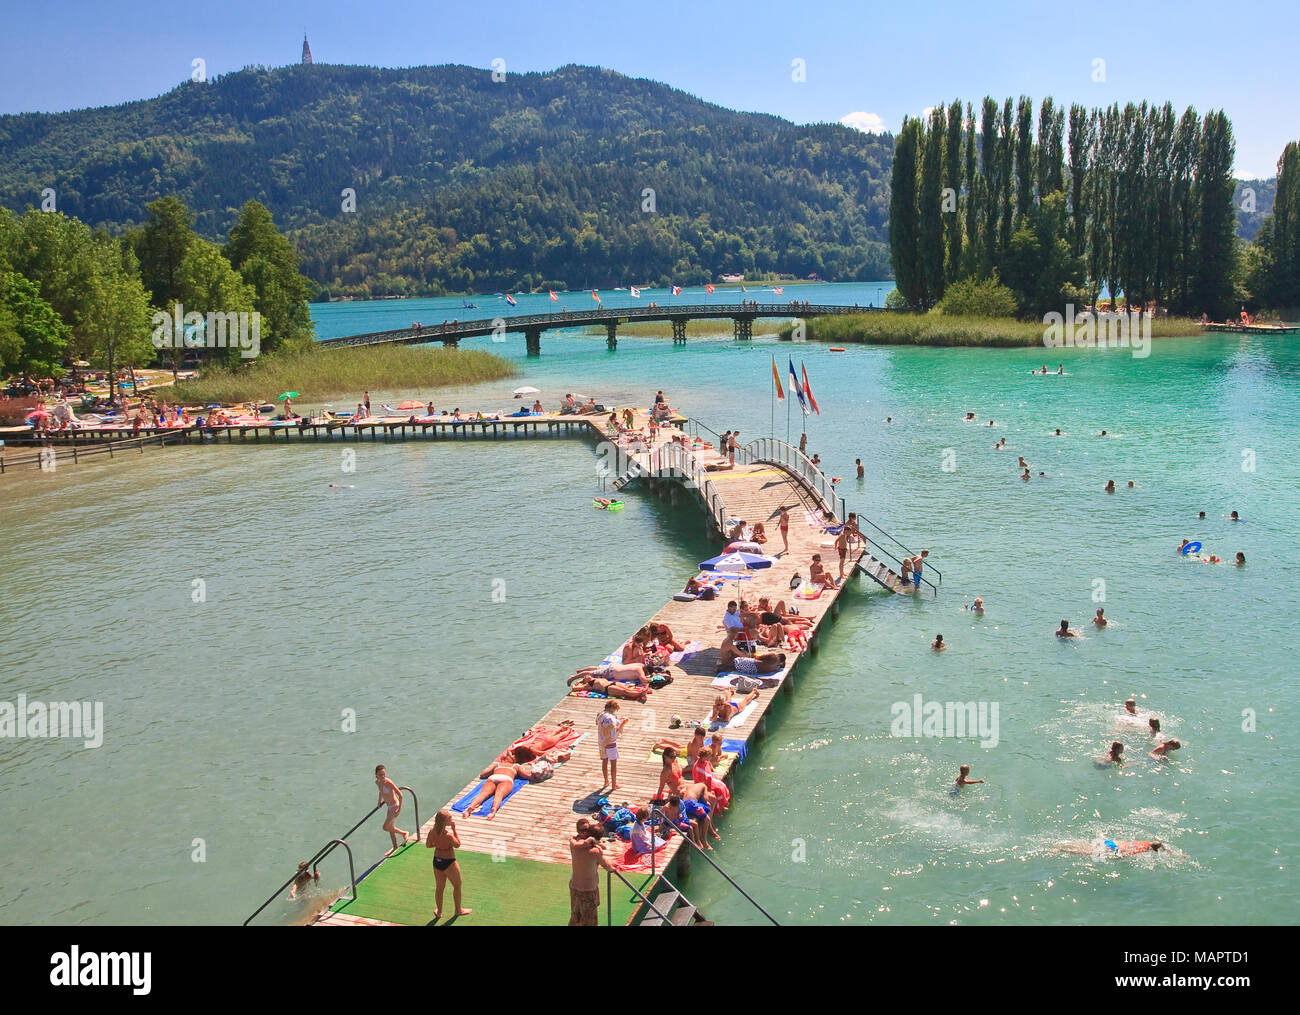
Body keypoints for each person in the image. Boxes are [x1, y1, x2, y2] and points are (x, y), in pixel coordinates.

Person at [462, 750, 535, 818]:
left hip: (493, 778)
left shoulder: (498, 765)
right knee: (499, 795)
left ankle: (469, 808)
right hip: (506, 779)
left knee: (483, 794)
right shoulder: (515, 766)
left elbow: (483, 774)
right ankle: (493, 811)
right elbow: (527, 776)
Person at [427, 809, 472, 919]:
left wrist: (438, 846)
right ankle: (458, 910)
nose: (451, 820)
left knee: (439, 887)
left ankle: (439, 912)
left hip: (437, 861)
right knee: (457, 885)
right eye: (450, 818)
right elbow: (457, 845)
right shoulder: (449, 836)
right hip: (449, 862)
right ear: (444, 822)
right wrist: (454, 829)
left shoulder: (431, 832)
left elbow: (428, 845)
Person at [569, 819, 615, 926]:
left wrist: (596, 843)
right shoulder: (594, 851)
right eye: (583, 830)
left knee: (575, 918)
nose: (585, 832)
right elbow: (607, 866)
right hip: (588, 890)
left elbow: (578, 843)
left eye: (587, 829)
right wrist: (612, 867)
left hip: (575, 886)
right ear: (578, 831)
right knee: (590, 922)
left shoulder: (574, 843)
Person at [375, 765, 413, 850]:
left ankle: (399, 840)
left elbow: (400, 795)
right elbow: (380, 791)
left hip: (395, 806)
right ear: (376, 775)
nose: (383, 776)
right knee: (390, 828)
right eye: (381, 774)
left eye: (384, 774)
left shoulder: (388, 782)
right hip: (389, 807)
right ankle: (399, 840)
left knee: (385, 827)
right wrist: (379, 802)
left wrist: (399, 809)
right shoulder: (377, 782)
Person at [597, 701, 629, 790]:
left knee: (604, 762)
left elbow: (600, 724)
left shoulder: (600, 715)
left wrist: (619, 720)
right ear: (613, 708)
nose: (615, 712)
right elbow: (613, 733)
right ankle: (614, 784)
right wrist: (622, 723)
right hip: (610, 743)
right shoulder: (611, 718)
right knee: (613, 764)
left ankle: (606, 781)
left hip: (601, 742)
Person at [566, 673, 648, 701]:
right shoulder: (588, 685)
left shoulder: (597, 677)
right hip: (608, 688)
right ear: (585, 681)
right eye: (585, 677)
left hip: (613, 683)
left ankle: (639, 693)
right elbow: (574, 688)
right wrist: (579, 682)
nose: (586, 676)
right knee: (625, 692)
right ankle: (639, 694)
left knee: (627, 688)